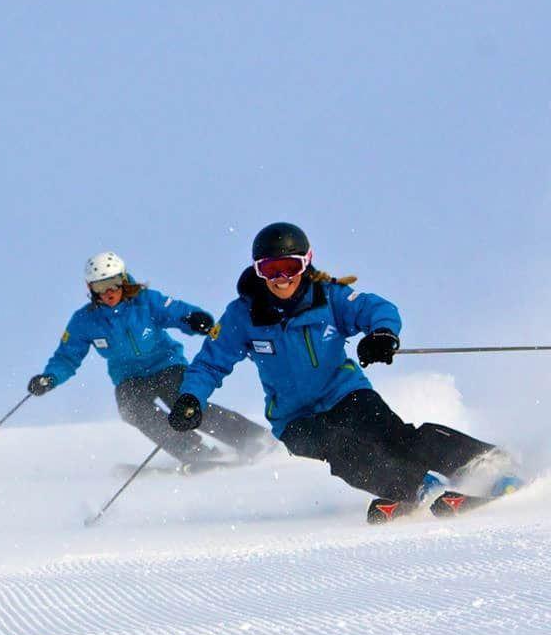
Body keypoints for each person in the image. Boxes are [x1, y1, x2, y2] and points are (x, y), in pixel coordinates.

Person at [169, 222, 521, 522]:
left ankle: (484, 464)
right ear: (258, 271)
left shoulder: (328, 297)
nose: (280, 278)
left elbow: (375, 308)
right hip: (294, 418)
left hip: (345, 392)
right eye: (270, 270)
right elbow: (210, 362)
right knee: (346, 455)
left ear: (305, 264)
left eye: (289, 268)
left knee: (394, 438)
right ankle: (416, 488)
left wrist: (381, 334)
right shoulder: (242, 315)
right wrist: (190, 397)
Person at [26, 251, 271, 468]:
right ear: (90, 288)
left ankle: (252, 439)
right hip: (128, 377)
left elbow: (176, 312)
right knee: (131, 409)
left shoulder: (145, 301)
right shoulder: (85, 321)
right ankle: (194, 451)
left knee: (183, 402)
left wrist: (195, 319)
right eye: (100, 287)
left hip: (166, 365)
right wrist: (50, 378)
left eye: (113, 284)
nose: (109, 292)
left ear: (123, 280)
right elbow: (67, 357)